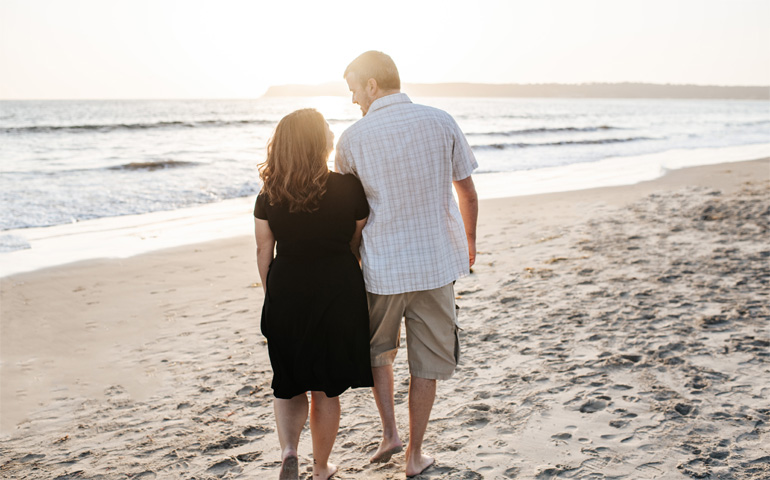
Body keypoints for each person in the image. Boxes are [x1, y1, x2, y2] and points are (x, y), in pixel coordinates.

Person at [335, 51, 479, 477]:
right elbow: (467, 192)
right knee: (427, 362)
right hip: (436, 264)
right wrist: (467, 243)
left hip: (381, 269)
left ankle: (390, 435)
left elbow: (350, 213)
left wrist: (350, 258)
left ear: (372, 86)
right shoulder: (441, 120)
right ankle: (415, 456)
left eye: (354, 91)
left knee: (380, 354)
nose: (354, 101)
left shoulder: (352, 140)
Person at [254, 108, 374, 480]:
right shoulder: (348, 187)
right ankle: (321, 468)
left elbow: (264, 250)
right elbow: (356, 238)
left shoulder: (269, 193)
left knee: (288, 384)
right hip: (338, 288)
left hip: (287, 286)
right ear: (323, 142)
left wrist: (271, 293)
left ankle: (289, 450)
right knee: (326, 389)